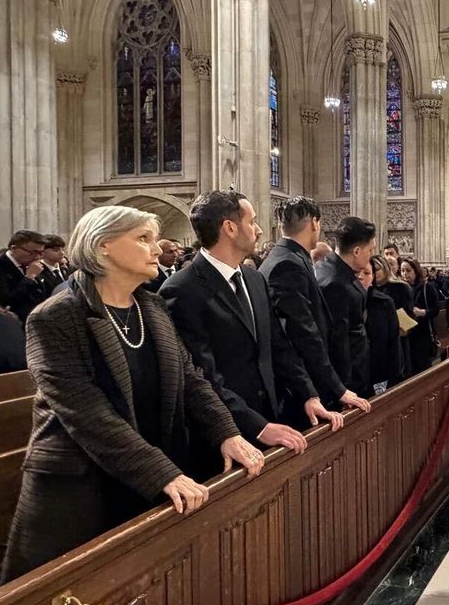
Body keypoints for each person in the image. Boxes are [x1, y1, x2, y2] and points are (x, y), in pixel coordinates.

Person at [0, 205, 265, 582]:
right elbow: (86, 412)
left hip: (146, 472)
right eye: (143, 239)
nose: (157, 249)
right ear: (103, 246)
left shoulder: (151, 306)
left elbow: (189, 379)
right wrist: (161, 473)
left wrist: (227, 432)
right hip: (81, 488)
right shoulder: (56, 316)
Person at [161, 190, 342, 458]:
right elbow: (203, 374)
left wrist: (309, 395)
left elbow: (279, 347)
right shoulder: (181, 289)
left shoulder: (253, 278)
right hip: (224, 434)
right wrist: (257, 426)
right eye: (252, 221)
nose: (258, 230)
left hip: (271, 417)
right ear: (230, 228)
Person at [260, 198, 371, 413]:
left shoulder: (286, 257)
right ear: (314, 223)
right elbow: (302, 333)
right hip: (301, 389)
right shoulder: (287, 264)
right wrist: (337, 388)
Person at [317, 216, 378, 398]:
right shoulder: (336, 283)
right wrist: (343, 389)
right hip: (347, 381)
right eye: (370, 250)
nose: (371, 255)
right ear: (357, 251)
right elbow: (338, 341)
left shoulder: (328, 267)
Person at [0, 229, 49, 322]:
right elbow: (4, 302)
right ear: (14, 248)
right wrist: (29, 278)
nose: (38, 257)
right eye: (33, 252)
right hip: (14, 323)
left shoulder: (33, 265)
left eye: (41, 253)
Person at [366, 257, 404, 394]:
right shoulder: (349, 298)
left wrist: (394, 376)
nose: (361, 277)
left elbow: (392, 342)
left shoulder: (385, 301)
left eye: (367, 273)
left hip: (381, 363)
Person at [399, 258, 441, 375]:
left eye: (408, 270)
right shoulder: (400, 288)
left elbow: (435, 309)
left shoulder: (426, 287)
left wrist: (423, 312)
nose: (405, 274)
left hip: (422, 336)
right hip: (405, 335)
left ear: (415, 271)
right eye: (402, 270)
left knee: (422, 371)